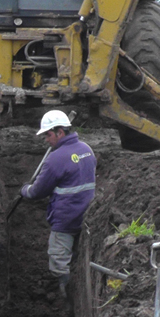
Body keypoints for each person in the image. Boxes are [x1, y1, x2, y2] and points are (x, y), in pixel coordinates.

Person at [20, 110, 96, 299]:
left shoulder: (55, 159)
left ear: (60, 132)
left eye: (48, 134)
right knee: (78, 254)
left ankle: (66, 299)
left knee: (59, 260)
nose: (46, 139)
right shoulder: (87, 149)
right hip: (87, 214)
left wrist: (24, 190)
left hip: (66, 218)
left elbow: (37, 192)